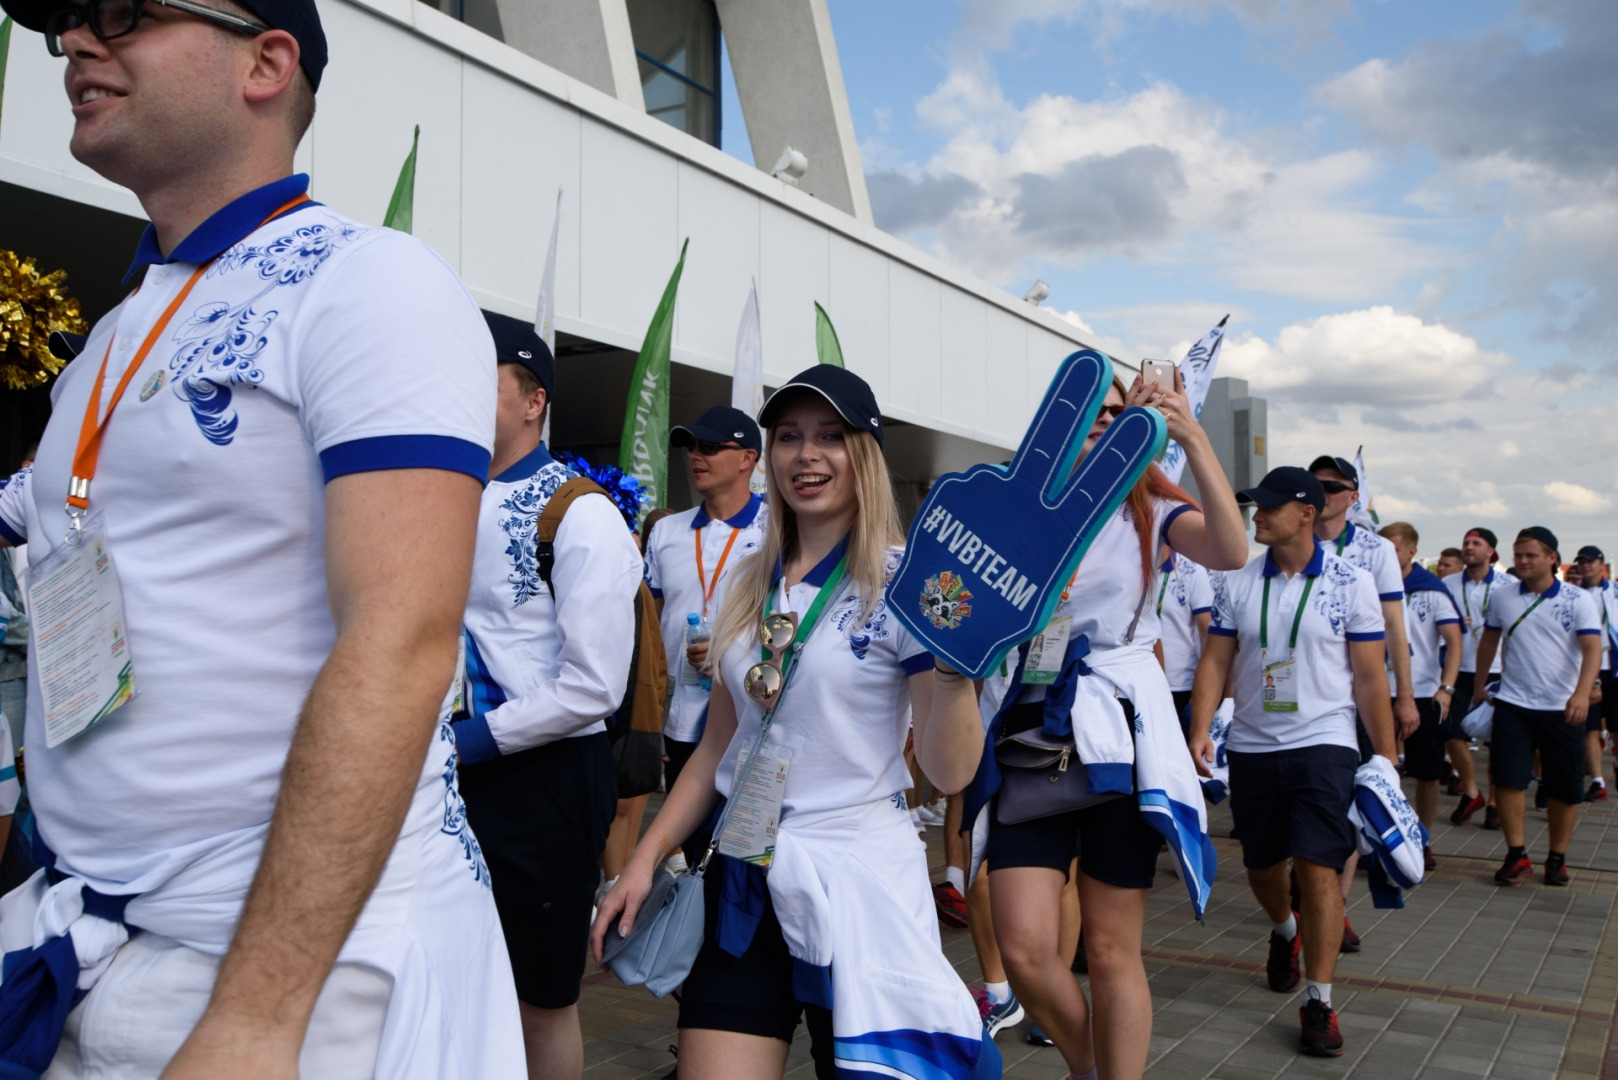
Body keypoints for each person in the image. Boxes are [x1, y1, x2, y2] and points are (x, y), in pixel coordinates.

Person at [0, 0, 525, 1071]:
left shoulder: (374, 283)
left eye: (123, 13)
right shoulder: (112, 330)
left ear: (266, 63)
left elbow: (404, 639)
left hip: (297, 980)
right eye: (69, 22)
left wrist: (257, 1016)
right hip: (91, 940)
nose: (75, 44)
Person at [591, 365, 994, 1079]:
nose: (806, 456)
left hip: (859, 882)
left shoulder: (907, 584)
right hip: (746, 874)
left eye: (830, 437)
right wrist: (644, 858)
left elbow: (950, 771)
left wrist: (959, 667)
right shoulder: (750, 579)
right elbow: (722, 743)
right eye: (788, 437)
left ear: (863, 454)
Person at [963, 368, 1248, 1080]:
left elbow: (1233, 551)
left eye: (1116, 411)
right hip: (1028, 731)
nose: (1100, 420)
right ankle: (1091, 1065)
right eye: (1088, 410)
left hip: (1120, 733)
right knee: (1025, 948)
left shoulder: (1150, 504)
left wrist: (1189, 435)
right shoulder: (1014, 502)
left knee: (1114, 947)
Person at [451, 313, 642, 1080]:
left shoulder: (581, 512)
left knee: (540, 998)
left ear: (533, 401)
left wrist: (473, 740)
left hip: (543, 780)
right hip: (440, 770)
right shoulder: (435, 492)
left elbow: (595, 685)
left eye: (481, 373)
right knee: (455, 974)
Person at [1190, 467, 1397, 1058]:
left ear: (1306, 513)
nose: (1257, 517)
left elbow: (1367, 676)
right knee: (1261, 864)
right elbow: (1214, 661)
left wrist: (1384, 755)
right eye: (1256, 508)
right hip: (1254, 743)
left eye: (1269, 509)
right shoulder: (1236, 580)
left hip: (1324, 742)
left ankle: (1320, 1001)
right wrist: (1200, 729)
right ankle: (1285, 930)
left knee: (1318, 866)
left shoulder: (1349, 581)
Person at [1308, 455, 1417, 951]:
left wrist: (1404, 697)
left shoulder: (1375, 551)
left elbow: (1395, 627)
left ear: (1353, 496)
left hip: (1356, 695)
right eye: (1314, 486)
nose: (1322, 493)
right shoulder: (1291, 538)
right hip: (1299, 694)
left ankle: (1335, 904)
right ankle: (1305, 901)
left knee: (1343, 804)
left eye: (1332, 486)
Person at [644, 406, 768, 795]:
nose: (696, 456)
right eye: (692, 447)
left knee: (741, 843)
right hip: (677, 719)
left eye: (710, 447)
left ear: (748, 458)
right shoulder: (665, 530)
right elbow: (650, 623)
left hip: (751, 716)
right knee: (691, 838)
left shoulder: (781, 528)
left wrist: (731, 653)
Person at [1473, 528, 1603, 886]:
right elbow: (1489, 640)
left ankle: (1557, 857)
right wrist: (1481, 684)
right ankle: (1517, 854)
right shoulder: (1503, 597)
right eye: (1519, 555)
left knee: (1564, 786)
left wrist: (1581, 692)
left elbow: (1592, 649)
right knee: (1509, 779)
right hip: (1514, 702)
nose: (1524, 562)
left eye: (1531, 555)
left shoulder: (1578, 600)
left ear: (1551, 558)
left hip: (1562, 706)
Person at [1378, 523, 1462, 869]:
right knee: (1380, 769)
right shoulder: (1368, 584)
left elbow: (1455, 642)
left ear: (1412, 551)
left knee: (1427, 773)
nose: (1386, 556)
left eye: (1393, 549)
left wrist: (1446, 688)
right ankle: (1380, 839)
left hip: (1423, 692)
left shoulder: (1431, 590)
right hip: (1377, 690)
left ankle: (1422, 838)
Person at [1442, 528, 1514, 829]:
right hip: (1458, 668)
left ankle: (1496, 803)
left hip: (1498, 669)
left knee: (1497, 742)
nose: (1469, 548)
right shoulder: (1446, 584)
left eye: (1476, 544)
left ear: (1491, 552)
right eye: (1466, 543)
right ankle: (1471, 790)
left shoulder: (1508, 585)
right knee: (1451, 732)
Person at [1157, 544, 1216, 739]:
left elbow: (1207, 632)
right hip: (1139, 685)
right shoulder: (1131, 567)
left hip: (1181, 686)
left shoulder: (1190, 570)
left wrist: (1202, 691)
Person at [1574, 546, 1617, 801]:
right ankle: (1598, 782)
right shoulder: (1576, 595)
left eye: (1590, 561)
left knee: (1615, 727)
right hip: (1589, 670)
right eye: (1582, 562)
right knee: (1590, 728)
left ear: (1602, 564)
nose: (1586, 566)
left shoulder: (1614, 591)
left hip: (1616, 668)